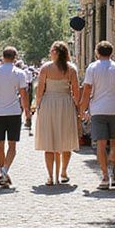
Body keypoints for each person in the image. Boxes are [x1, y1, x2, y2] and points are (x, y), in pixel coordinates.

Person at [79, 41, 115, 190]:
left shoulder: (92, 68)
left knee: (100, 144)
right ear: (111, 53)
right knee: (114, 142)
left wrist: (82, 109)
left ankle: (105, 176)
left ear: (96, 52)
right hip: (114, 108)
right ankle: (113, 172)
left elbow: (87, 90)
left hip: (98, 110)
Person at [33, 41, 81, 186]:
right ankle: (63, 172)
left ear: (55, 52)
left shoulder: (45, 68)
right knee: (66, 139)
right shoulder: (71, 69)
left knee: (49, 141)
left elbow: (40, 90)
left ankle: (50, 176)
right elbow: (76, 91)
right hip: (66, 103)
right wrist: (77, 107)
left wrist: (38, 105)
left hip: (48, 103)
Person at [0, 47, 31, 187]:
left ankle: (2, 171)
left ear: (3, 56)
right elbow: (23, 94)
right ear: (15, 57)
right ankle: (4, 171)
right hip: (14, 112)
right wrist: (27, 112)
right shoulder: (19, 73)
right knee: (12, 145)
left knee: (0, 144)